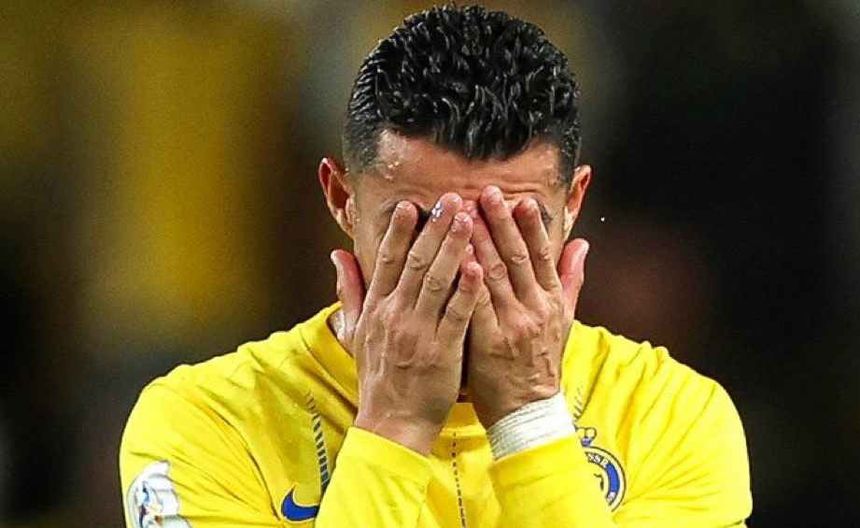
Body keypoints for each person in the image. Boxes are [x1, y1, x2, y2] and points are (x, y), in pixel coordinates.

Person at [119, 4, 752, 527]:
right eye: (422, 227)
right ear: (341, 198)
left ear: (574, 203)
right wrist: (392, 426)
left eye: (511, 226)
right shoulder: (205, 424)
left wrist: (530, 416)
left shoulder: (672, 418)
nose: (465, 272)